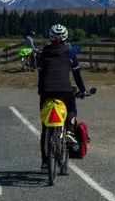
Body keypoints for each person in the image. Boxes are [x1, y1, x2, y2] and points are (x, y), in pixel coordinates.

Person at [37, 24, 86, 169]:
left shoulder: (43, 53)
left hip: (46, 91)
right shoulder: (70, 52)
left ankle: (45, 161)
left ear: (50, 36)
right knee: (72, 108)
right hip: (65, 89)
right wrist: (82, 89)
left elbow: (41, 74)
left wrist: (41, 91)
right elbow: (76, 74)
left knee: (45, 125)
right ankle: (70, 130)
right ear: (65, 36)